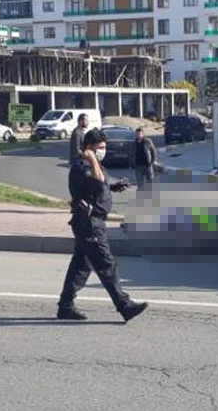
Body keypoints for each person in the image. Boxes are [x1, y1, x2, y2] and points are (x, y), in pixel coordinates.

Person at [57, 128, 149, 322]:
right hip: (90, 223)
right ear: (89, 147)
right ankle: (125, 305)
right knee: (107, 264)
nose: (103, 150)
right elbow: (98, 182)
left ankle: (65, 306)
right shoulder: (81, 166)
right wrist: (91, 158)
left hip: (91, 223)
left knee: (80, 267)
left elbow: (101, 184)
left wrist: (114, 187)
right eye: (100, 147)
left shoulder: (94, 164)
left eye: (104, 147)